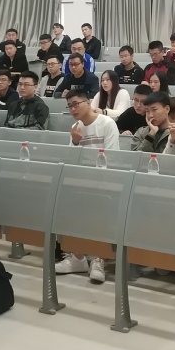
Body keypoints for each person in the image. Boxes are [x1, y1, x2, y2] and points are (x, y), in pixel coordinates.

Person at [56, 89, 119, 281]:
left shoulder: (107, 124)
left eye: (76, 104)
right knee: (63, 200)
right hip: (82, 182)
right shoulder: (75, 128)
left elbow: (112, 158)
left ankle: (99, 259)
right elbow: (71, 161)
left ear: (88, 102)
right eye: (69, 106)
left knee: (99, 207)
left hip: (105, 182)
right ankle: (77, 257)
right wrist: (75, 142)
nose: (73, 109)